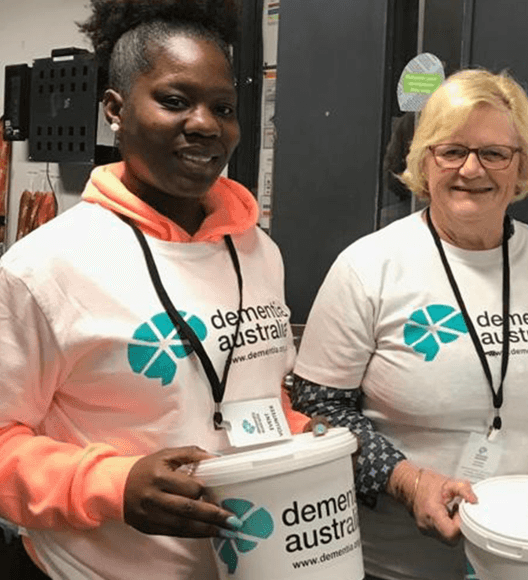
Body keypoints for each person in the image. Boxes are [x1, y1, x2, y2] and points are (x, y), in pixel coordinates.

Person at [0, 1, 305, 578]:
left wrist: (307, 442)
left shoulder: (258, 253)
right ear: (114, 110)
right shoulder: (44, 267)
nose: (205, 124)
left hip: (246, 563)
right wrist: (115, 485)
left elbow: (259, 396)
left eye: (223, 107)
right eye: (174, 100)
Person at [290, 69, 528, 580]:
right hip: (394, 564)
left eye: (494, 153)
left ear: (521, 168)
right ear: (424, 162)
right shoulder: (369, 267)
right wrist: (406, 480)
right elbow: (315, 407)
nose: (472, 170)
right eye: (451, 150)